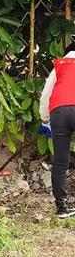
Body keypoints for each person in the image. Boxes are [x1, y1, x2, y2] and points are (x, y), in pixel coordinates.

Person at [39, 42, 75, 219]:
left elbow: (46, 94)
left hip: (59, 112)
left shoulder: (59, 66)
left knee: (60, 162)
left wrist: (45, 119)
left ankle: (61, 207)